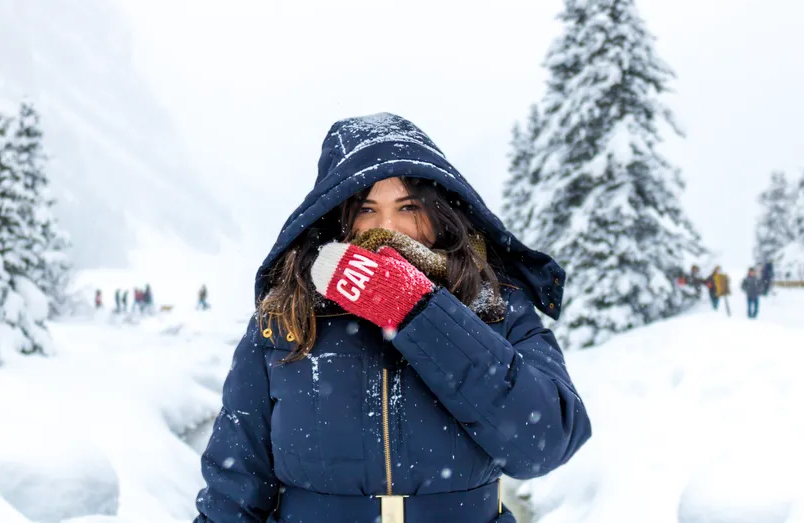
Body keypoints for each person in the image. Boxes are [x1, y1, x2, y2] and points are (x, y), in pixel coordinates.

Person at [193, 113, 591, 523]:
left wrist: (416, 310)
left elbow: (545, 443)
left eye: (408, 207)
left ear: (439, 213)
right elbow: (234, 487)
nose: (388, 227)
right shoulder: (286, 315)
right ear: (337, 217)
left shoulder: (495, 303)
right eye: (366, 208)